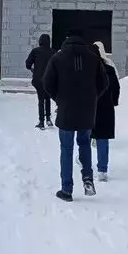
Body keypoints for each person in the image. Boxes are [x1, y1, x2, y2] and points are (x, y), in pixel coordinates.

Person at [43, 29, 108, 201]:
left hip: (66, 111)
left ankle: (67, 189)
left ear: (66, 40)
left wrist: (59, 98)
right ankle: (88, 178)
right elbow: (104, 82)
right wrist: (93, 98)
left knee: (66, 149)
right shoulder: (94, 59)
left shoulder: (57, 58)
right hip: (87, 111)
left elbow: (47, 82)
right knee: (85, 143)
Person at [90, 42, 120, 181]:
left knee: (84, 137)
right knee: (103, 139)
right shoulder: (109, 68)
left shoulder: (86, 70)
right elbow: (116, 87)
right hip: (106, 108)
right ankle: (102, 169)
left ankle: (83, 160)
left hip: (89, 107)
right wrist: (113, 101)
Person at [25, 33, 54, 129]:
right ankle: (48, 119)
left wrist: (33, 70)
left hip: (38, 79)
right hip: (49, 79)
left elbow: (28, 64)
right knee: (48, 97)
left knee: (41, 100)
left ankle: (41, 122)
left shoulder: (35, 51)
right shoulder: (53, 52)